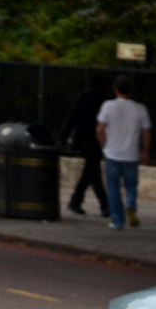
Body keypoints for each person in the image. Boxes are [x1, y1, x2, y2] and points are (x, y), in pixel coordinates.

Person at [96, 75, 152, 230]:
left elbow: (100, 129)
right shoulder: (140, 109)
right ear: (131, 91)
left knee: (113, 189)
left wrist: (103, 145)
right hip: (131, 154)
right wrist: (145, 152)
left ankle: (117, 221)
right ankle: (130, 205)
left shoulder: (108, 106)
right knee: (131, 186)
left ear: (116, 90)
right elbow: (146, 133)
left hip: (112, 153)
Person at [61, 73, 112, 217]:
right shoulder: (104, 98)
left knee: (89, 171)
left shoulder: (85, 96)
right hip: (95, 139)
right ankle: (104, 204)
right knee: (94, 171)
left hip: (86, 138)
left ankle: (75, 201)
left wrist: (64, 137)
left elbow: (72, 117)